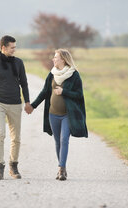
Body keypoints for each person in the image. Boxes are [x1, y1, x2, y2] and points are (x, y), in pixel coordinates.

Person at [26, 49, 88, 181]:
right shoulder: (52, 74)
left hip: (67, 115)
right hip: (52, 114)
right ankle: (62, 167)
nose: (53, 59)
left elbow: (79, 95)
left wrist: (64, 91)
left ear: (63, 60)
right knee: (57, 141)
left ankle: (61, 169)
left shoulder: (74, 75)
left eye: (56, 57)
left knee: (64, 139)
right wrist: (33, 106)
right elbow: (44, 92)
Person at [0, 35, 31, 180]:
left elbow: (24, 83)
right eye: (12, 47)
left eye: (15, 47)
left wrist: (27, 102)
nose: (14, 50)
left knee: (16, 138)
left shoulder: (19, 63)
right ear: (3, 48)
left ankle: (13, 166)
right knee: (0, 134)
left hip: (16, 103)